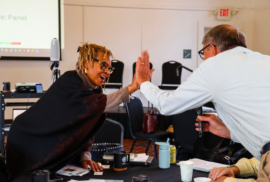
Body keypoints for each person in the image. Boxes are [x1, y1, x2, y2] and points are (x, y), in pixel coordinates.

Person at [135, 24, 270, 181]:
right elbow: (261, 124)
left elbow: (166, 104)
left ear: (211, 48)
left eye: (202, 53)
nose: (204, 59)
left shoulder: (213, 66)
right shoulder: (264, 59)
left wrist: (143, 82)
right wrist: (230, 132)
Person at [6, 43, 139, 180]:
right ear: (87, 62)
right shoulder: (69, 81)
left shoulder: (94, 90)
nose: (107, 72)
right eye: (103, 65)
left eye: (110, 68)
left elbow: (84, 128)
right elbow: (95, 105)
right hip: (28, 140)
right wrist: (131, 88)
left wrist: (84, 157)